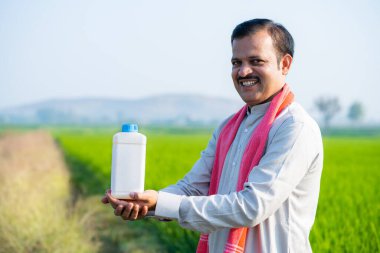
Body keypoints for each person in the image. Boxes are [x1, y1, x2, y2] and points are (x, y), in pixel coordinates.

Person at [102, 18, 323, 253]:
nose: (243, 71)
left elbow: (252, 206)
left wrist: (161, 202)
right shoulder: (230, 127)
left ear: (285, 64)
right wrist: (144, 202)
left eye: (256, 61)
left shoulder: (294, 127)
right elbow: (193, 187)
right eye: (236, 62)